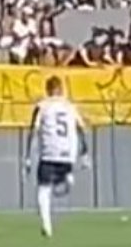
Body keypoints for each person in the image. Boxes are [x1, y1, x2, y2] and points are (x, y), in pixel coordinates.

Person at [24, 77, 90, 238]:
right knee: (60, 178)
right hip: (68, 154)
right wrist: (85, 152)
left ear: (47, 89)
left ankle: (46, 225)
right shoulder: (69, 106)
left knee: (43, 190)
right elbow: (81, 128)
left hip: (49, 152)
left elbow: (33, 131)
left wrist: (27, 157)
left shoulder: (42, 106)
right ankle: (66, 176)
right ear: (61, 89)